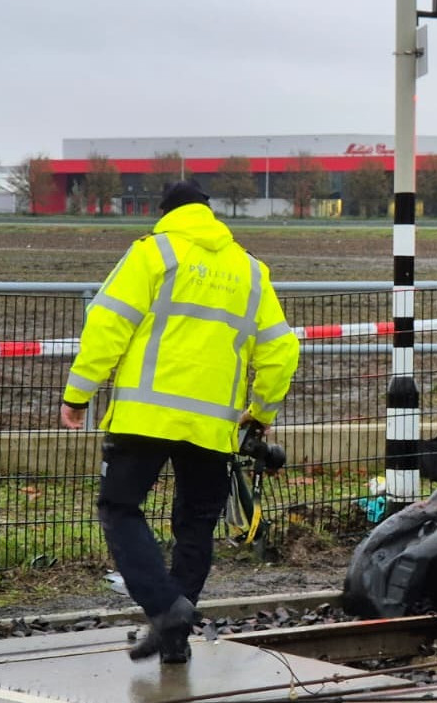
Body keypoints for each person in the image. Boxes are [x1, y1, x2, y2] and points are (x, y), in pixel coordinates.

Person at [60, 179, 300, 664]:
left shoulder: (152, 254)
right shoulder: (249, 270)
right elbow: (281, 349)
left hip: (145, 417)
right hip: (214, 427)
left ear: (165, 212)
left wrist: (79, 394)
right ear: (211, 214)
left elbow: (107, 324)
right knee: (194, 525)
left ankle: (167, 609)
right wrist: (262, 411)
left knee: (119, 508)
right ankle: (175, 635)